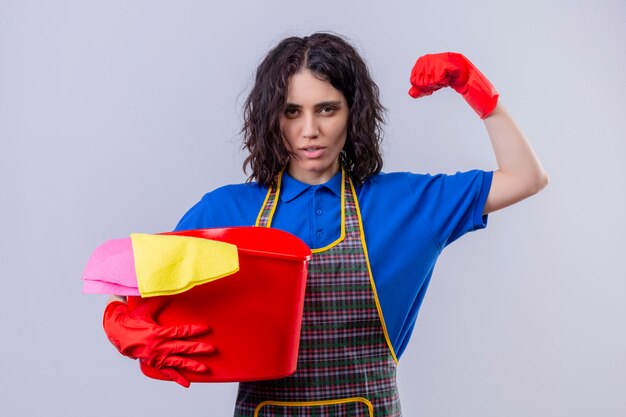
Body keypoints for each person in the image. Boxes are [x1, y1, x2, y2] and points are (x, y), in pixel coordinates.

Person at [101, 33, 548, 416]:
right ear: (269, 117)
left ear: (353, 113)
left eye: (327, 109)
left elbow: (526, 178)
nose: (309, 129)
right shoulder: (226, 212)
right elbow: (139, 289)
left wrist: (478, 92)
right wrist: (118, 320)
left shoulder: (407, 204)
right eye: (292, 111)